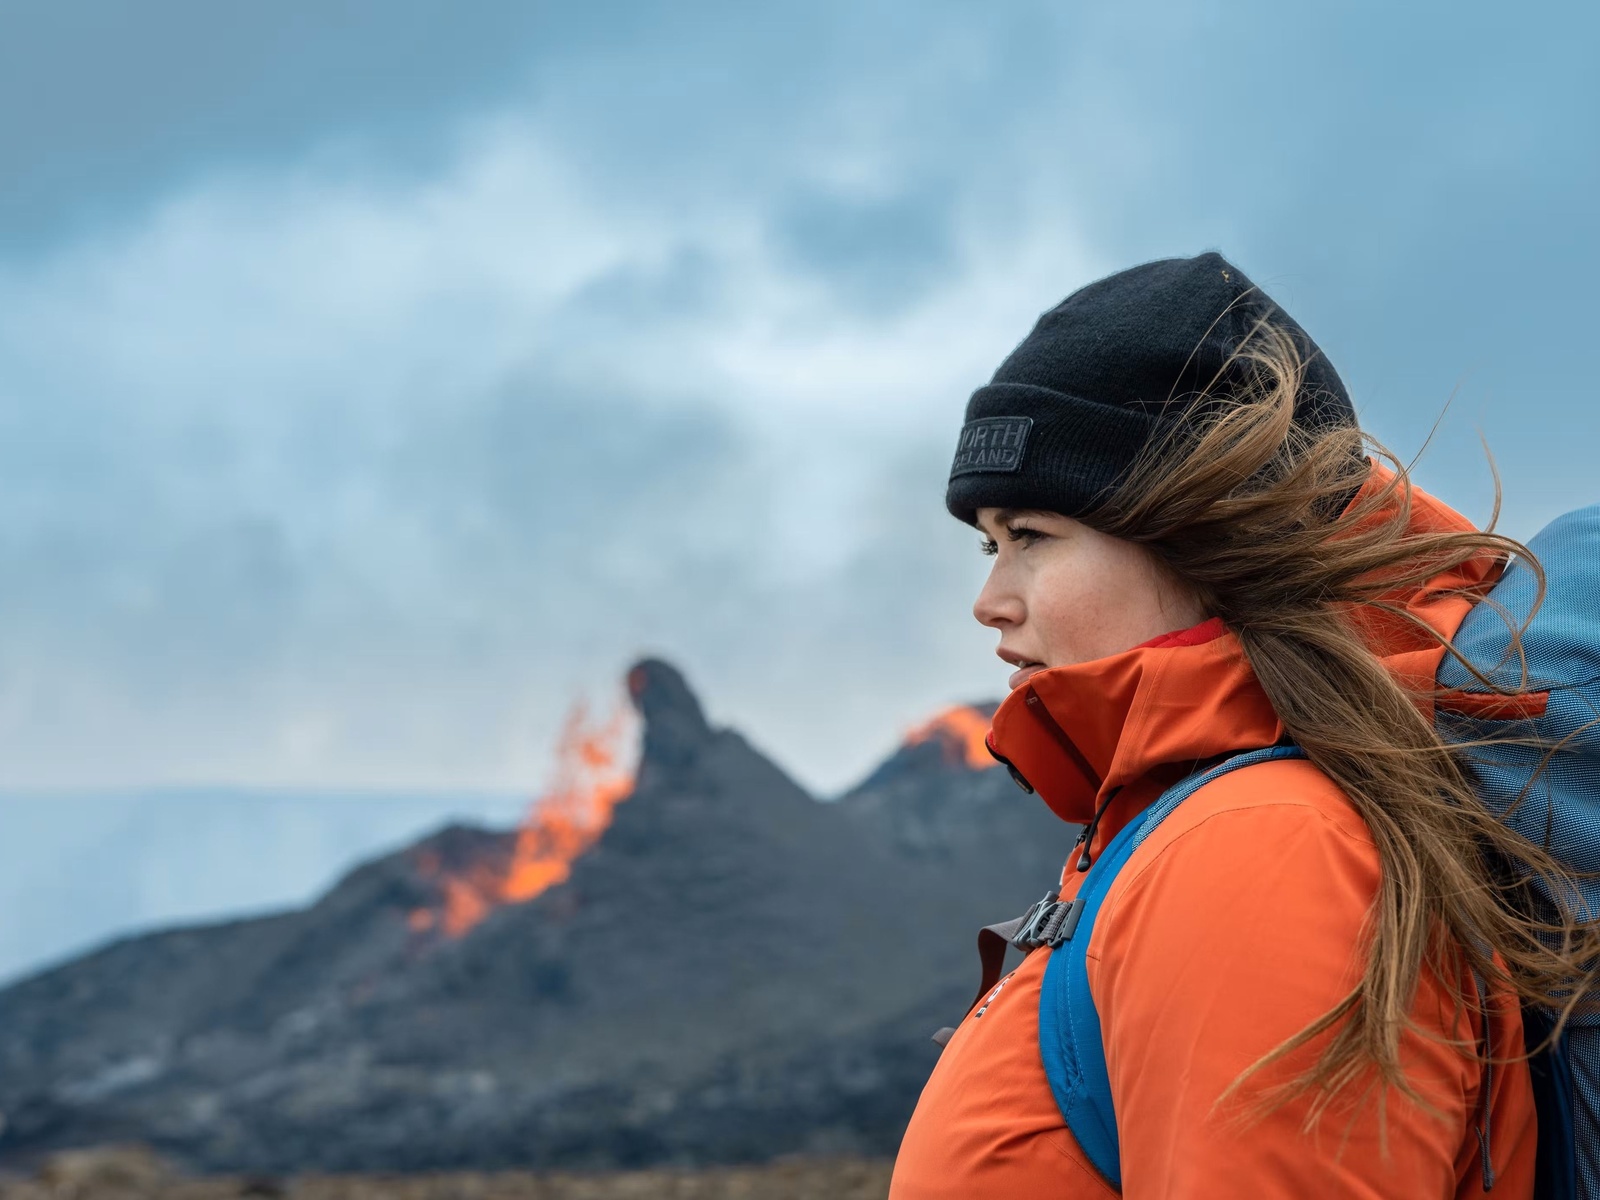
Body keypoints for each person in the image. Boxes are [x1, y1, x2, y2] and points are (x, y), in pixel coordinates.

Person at [888, 253, 1594, 1198]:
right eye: (988, 542)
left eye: (1032, 538)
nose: (990, 600)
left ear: (1204, 534)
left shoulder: (1261, 848)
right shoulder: (1194, 823)